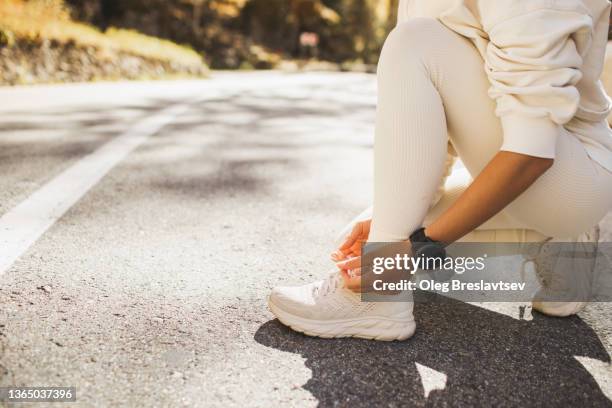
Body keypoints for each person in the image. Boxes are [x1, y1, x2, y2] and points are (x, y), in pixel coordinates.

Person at [268, 0, 612, 341]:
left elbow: (531, 153)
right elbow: (439, 117)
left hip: (572, 175)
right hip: (539, 175)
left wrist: (410, 252)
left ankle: (378, 298)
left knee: (413, 41)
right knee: (376, 228)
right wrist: (394, 220)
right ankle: (563, 244)